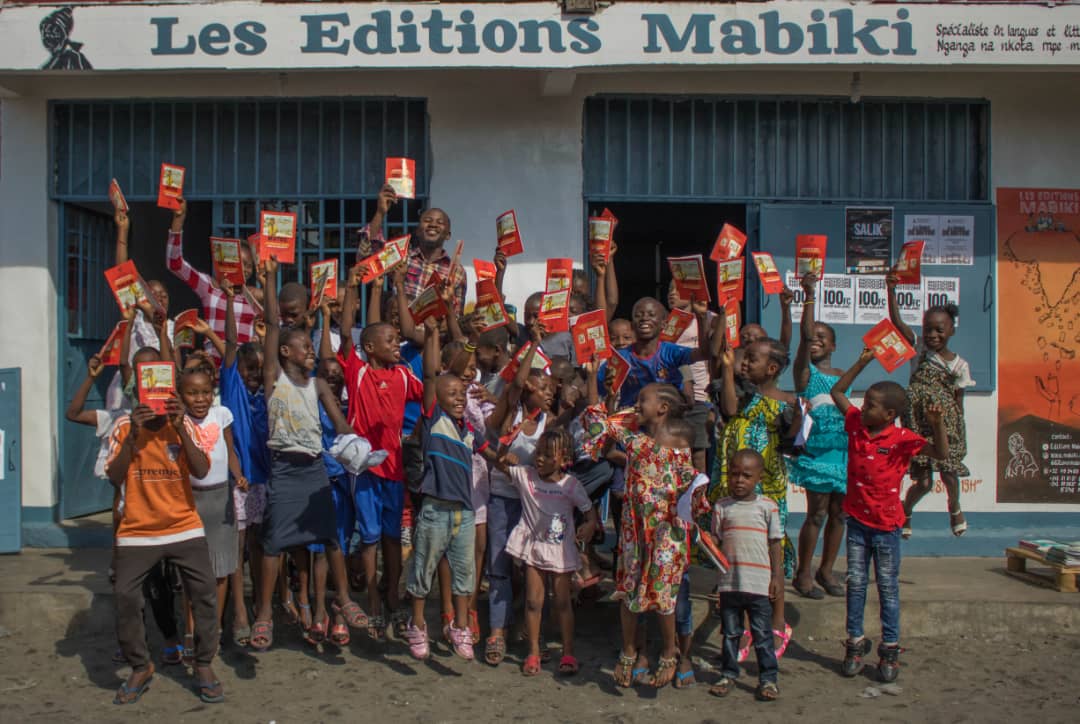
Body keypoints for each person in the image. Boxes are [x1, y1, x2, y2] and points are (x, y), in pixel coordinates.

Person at [249, 256, 368, 651]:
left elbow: (340, 423)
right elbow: (271, 322)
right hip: (285, 471)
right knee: (272, 543)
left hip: (315, 469)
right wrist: (269, 280)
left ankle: (345, 600)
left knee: (330, 539)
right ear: (283, 351)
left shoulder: (318, 384)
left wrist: (359, 447)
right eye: (302, 347)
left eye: (310, 347)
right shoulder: (273, 379)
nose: (310, 353)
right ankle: (264, 614)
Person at [583, 369, 707, 689]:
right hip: (633, 534)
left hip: (667, 534)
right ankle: (628, 651)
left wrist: (698, 508)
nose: (637, 404)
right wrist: (594, 382)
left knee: (664, 596)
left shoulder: (679, 449)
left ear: (663, 408)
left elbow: (693, 489)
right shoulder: (635, 441)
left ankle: (669, 653)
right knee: (628, 590)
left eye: (643, 400)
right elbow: (598, 425)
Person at [830, 349, 948, 682]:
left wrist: (937, 425)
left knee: (887, 588)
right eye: (864, 403)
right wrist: (862, 361)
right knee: (855, 585)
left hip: (886, 528)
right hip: (856, 524)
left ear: (889, 414)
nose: (863, 408)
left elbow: (940, 453)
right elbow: (838, 392)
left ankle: (890, 649)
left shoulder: (902, 440)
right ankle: (854, 642)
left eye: (870, 405)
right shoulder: (855, 425)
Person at [105, 389, 223, 704]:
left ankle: (203, 663)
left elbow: (201, 470)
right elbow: (114, 477)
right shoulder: (124, 427)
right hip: (138, 530)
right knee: (125, 595)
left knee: (204, 591)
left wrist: (182, 425)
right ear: (136, 392)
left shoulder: (182, 424)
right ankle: (140, 666)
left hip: (183, 526)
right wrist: (134, 435)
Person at [338, 264, 425, 640]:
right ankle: (373, 596)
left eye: (396, 340)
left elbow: (431, 391)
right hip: (366, 470)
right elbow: (345, 333)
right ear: (370, 347)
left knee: (393, 536)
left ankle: (392, 592)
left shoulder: (404, 375)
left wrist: (434, 338)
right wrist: (356, 288)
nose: (396, 344)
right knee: (370, 536)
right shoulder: (358, 371)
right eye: (390, 340)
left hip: (395, 470)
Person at [403, 317, 488, 661]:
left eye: (461, 394)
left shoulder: (467, 428)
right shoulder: (433, 418)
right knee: (423, 569)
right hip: (435, 509)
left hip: (464, 512)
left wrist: (506, 456)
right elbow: (432, 376)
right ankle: (418, 624)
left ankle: (461, 627)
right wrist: (435, 334)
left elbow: (488, 449)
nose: (458, 398)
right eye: (450, 394)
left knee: (465, 574)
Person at [712, 336, 801, 658]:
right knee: (739, 551)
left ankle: (778, 620)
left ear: (773, 368)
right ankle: (747, 622)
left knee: (768, 550)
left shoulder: (788, 402)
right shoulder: (743, 396)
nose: (744, 363)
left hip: (768, 486)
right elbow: (730, 408)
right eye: (744, 358)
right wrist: (727, 370)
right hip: (733, 480)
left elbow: (793, 440)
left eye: (751, 359)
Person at [482, 322, 555, 666]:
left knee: (529, 567)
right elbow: (511, 389)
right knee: (498, 566)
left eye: (551, 388)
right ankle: (497, 630)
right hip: (502, 499)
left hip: (534, 505)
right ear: (528, 386)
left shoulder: (549, 423)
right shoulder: (508, 413)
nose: (549, 392)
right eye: (542, 387)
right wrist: (533, 345)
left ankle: (528, 625)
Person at [502, 429, 598, 676]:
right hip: (534, 549)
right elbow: (499, 461)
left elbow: (589, 512)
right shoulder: (526, 477)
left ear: (564, 458)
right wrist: (507, 453)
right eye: (538, 453)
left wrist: (588, 526)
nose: (540, 459)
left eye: (547, 454)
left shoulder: (570, 486)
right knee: (533, 602)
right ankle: (533, 652)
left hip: (561, 553)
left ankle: (567, 652)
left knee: (563, 603)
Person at [886, 272, 974, 538]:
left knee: (948, 472)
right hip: (917, 422)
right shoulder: (920, 349)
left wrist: (955, 430)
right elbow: (897, 323)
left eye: (940, 329)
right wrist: (891, 292)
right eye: (928, 329)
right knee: (923, 481)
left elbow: (959, 401)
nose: (933, 334)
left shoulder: (959, 365)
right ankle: (907, 510)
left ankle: (954, 506)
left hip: (944, 425)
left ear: (951, 330)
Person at [177, 367, 247, 661]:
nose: (200, 398)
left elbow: (230, 451)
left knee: (221, 569)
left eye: (205, 391)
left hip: (220, 499)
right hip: (188, 501)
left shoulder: (222, 415)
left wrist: (238, 474)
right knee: (192, 572)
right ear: (181, 396)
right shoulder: (179, 421)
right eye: (192, 393)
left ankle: (214, 629)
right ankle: (191, 631)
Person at [788, 271, 849, 599]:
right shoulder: (804, 373)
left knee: (840, 513)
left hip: (843, 451)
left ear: (834, 345)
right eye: (814, 337)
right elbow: (804, 335)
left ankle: (827, 569)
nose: (816, 341)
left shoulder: (842, 374)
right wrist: (809, 293)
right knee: (817, 512)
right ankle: (803, 572)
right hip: (816, 453)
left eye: (823, 337)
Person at [708, 449, 783, 702]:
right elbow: (716, 544)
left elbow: (775, 545)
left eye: (747, 476)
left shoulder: (768, 508)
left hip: (759, 585)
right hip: (730, 584)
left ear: (759, 478)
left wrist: (776, 579)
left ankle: (768, 679)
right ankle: (728, 674)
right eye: (734, 474)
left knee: (762, 635)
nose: (739, 480)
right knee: (730, 634)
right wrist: (715, 581)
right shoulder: (722, 507)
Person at [219, 284, 268, 647]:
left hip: (263, 482)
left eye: (260, 370)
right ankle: (237, 611)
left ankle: (261, 605)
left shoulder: (268, 396)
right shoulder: (232, 386)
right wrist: (232, 301)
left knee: (259, 547)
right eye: (250, 369)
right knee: (237, 549)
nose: (254, 374)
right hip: (238, 482)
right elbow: (233, 345)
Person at [166, 199, 260, 352]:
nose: (246, 269)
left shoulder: (254, 296)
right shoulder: (210, 288)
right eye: (240, 263)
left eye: (249, 265)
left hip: (243, 369)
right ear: (227, 261)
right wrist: (178, 219)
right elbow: (174, 263)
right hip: (213, 364)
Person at [359, 185, 467, 314]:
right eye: (427, 220)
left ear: (448, 235)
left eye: (440, 222)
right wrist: (380, 213)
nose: (433, 224)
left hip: (435, 334)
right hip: (400, 332)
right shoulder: (401, 258)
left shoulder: (457, 272)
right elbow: (365, 258)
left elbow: (457, 315)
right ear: (417, 231)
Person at [600, 296, 711, 410]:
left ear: (663, 325)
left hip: (667, 419)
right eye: (638, 315)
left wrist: (701, 317)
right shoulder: (620, 358)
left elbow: (704, 353)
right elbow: (595, 391)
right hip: (630, 421)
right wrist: (592, 374)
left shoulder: (671, 352)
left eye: (651, 315)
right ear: (632, 326)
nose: (644, 318)